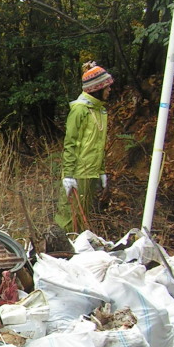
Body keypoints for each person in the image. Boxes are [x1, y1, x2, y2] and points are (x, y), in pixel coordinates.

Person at [55, 61, 114, 232]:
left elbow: (99, 145)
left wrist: (102, 170)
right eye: (107, 87)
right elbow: (70, 143)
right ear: (97, 88)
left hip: (92, 172)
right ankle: (59, 251)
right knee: (68, 217)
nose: (109, 90)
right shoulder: (80, 109)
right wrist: (68, 174)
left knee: (83, 217)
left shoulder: (100, 111)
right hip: (78, 172)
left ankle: (77, 253)